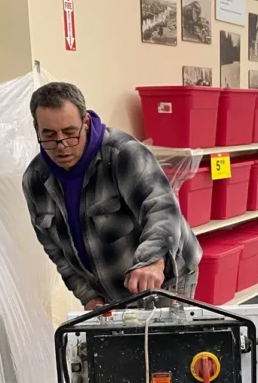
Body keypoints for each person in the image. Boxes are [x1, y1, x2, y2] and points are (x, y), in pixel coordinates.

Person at [23, 81, 201, 309]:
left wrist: (153, 261)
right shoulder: (35, 180)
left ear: (85, 123)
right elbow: (55, 250)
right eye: (49, 135)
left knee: (166, 344)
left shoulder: (123, 155)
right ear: (36, 129)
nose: (62, 145)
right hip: (108, 292)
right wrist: (87, 295)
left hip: (164, 278)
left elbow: (162, 209)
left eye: (69, 132)